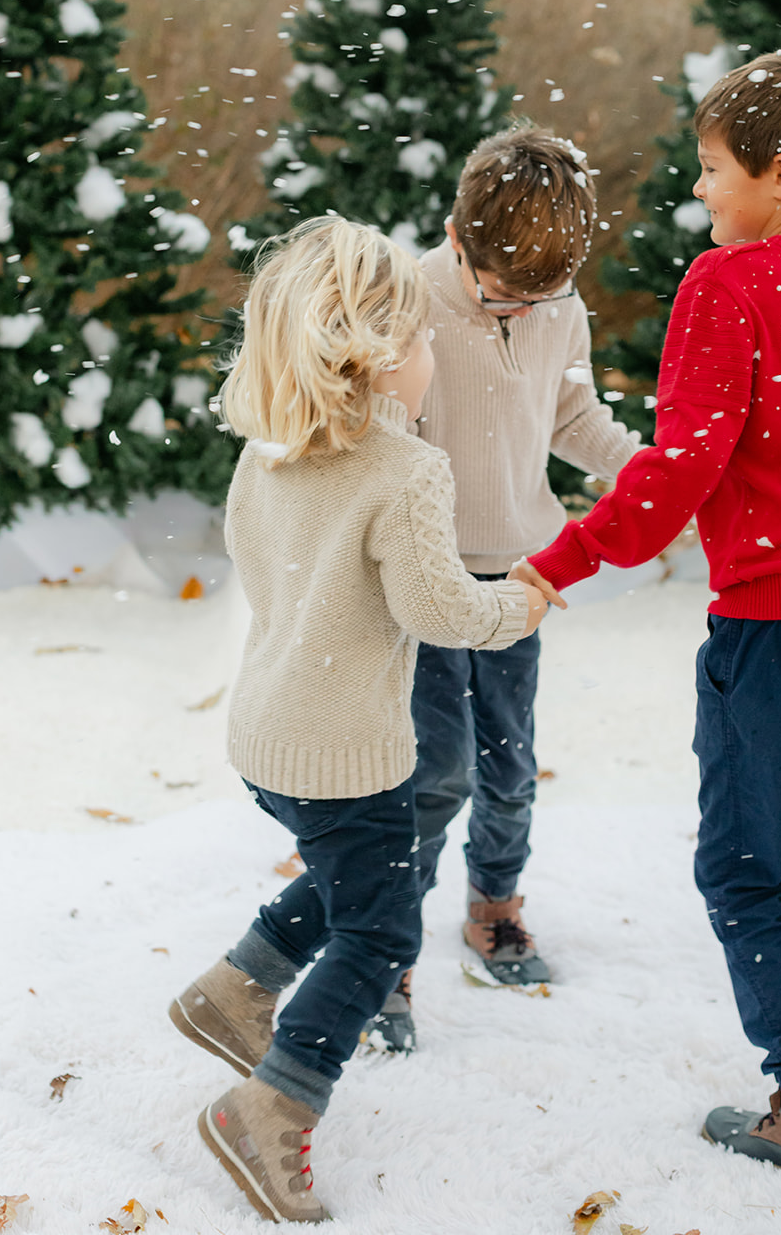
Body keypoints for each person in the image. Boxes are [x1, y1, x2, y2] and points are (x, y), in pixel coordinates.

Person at [512, 46, 781, 1183]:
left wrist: (556, 564)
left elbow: (678, 469)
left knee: (745, 875)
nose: (697, 190)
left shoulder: (730, 285)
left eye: (710, 169)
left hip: (780, 632)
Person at [168, 216, 545, 1224]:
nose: (431, 360)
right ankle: (275, 1104)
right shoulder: (403, 470)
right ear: (377, 354)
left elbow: (264, 566)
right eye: (421, 342)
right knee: (379, 927)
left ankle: (236, 987)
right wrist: (523, 599)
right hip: (347, 753)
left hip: (267, 735)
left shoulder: (269, 454)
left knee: (352, 880)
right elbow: (440, 613)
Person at [365, 125, 640, 1054]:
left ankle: (494, 907)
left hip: (522, 572)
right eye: (505, 292)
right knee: (432, 771)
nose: (525, 307)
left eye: (543, 294)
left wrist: (643, 473)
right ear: (456, 234)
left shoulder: (556, 304)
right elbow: (378, 440)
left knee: (510, 764)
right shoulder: (406, 300)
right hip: (427, 576)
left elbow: (570, 411)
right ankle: (383, 950)